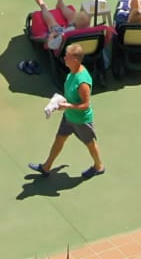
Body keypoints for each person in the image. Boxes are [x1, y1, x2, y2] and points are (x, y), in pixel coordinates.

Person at [29, 41, 105, 179]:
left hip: (81, 120)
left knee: (90, 144)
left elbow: (85, 105)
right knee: (59, 138)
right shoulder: (72, 73)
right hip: (69, 116)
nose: (64, 58)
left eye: (67, 56)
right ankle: (46, 166)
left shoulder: (83, 82)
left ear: (75, 60)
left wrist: (67, 106)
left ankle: (99, 166)